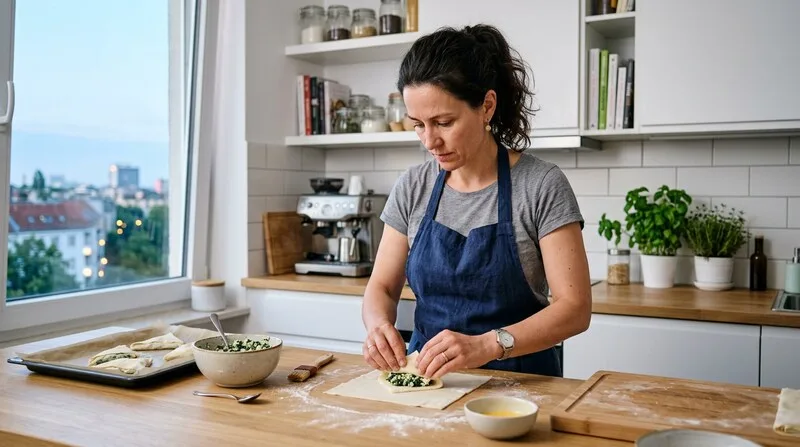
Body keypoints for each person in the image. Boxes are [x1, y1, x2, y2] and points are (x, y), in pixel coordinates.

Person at [361, 24, 592, 379]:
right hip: (427, 379)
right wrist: (378, 326)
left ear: (486, 106)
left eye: (443, 122)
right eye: (418, 125)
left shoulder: (541, 185)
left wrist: (487, 345)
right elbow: (382, 287)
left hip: (522, 384)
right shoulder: (412, 186)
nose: (430, 141)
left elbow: (575, 308)